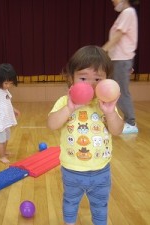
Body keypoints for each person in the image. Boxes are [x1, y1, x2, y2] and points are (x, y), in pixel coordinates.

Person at [47, 46, 124, 225]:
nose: (90, 84)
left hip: (101, 170)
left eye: (98, 79)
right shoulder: (65, 102)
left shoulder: (105, 104)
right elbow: (52, 124)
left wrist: (111, 113)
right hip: (71, 170)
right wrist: (69, 108)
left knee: (100, 206)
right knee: (70, 202)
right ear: (71, 78)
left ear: (107, 80)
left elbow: (117, 130)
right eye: (83, 78)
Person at [102, 0, 139, 134]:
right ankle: (114, 121)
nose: (113, 1)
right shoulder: (126, 13)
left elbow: (117, 36)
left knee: (121, 91)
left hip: (122, 59)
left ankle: (131, 122)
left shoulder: (128, 12)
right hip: (118, 59)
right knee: (113, 91)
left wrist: (103, 50)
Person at [0, 63, 20, 164]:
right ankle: (1, 156)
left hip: (5, 119)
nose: (8, 86)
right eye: (6, 83)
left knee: (7, 136)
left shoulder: (5, 90)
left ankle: (4, 151)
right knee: (1, 139)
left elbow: (7, 102)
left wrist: (14, 109)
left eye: (10, 83)